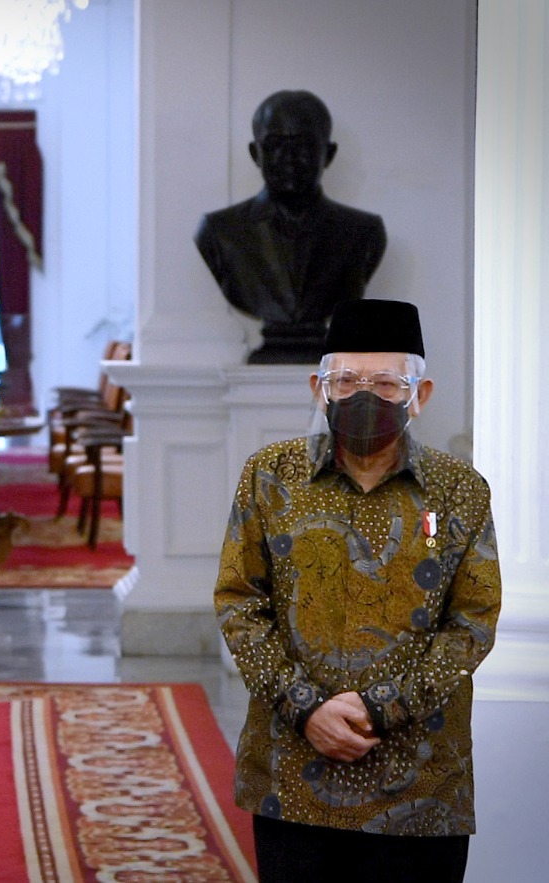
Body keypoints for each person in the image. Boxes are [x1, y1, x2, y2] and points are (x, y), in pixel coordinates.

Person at [214, 299, 500, 882]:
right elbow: (240, 600)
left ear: (419, 396)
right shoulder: (270, 475)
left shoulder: (459, 490)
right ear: (319, 387)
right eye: (347, 380)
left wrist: (379, 707)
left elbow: (473, 620)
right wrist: (306, 709)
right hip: (292, 774)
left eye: (387, 383)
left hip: (420, 786)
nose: (363, 396)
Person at [195, 90, 387, 364]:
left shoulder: (364, 233)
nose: (289, 157)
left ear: (328, 154)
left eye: (305, 145)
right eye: (275, 144)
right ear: (255, 153)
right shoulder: (218, 233)